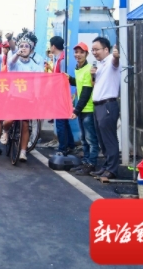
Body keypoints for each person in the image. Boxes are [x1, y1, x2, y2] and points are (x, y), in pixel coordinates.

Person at [2, 34, 43, 162]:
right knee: (9, 121)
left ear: (31, 49)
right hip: (14, 97)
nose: (24, 48)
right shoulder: (14, 61)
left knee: (25, 125)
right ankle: (5, 131)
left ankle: (23, 152)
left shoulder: (35, 66)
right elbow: (11, 62)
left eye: (26, 46)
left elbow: (38, 82)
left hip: (27, 98)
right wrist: (17, 54)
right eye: (21, 46)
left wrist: (37, 97)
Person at [90, 37, 120, 181]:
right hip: (98, 106)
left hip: (107, 105)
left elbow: (115, 62)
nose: (94, 52)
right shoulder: (99, 64)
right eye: (93, 50)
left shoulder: (110, 62)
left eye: (96, 49)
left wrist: (116, 56)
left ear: (106, 49)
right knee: (102, 139)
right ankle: (107, 166)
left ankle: (112, 169)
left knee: (109, 138)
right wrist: (93, 75)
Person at [67, 42, 99, 176]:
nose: (78, 55)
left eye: (81, 52)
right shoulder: (79, 68)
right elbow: (79, 83)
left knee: (91, 139)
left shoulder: (89, 69)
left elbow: (86, 92)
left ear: (86, 54)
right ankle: (86, 162)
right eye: (76, 52)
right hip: (83, 109)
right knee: (84, 139)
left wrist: (76, 110)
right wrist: (69, 79)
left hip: (88, 109)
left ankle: (91, 164)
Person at [50, 35, 76, 156]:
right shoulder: (60, 58)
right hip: (61, 94)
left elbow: (62, 79)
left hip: (61, 95)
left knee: (60, 123)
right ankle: (70, 145)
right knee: (64, 122)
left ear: (53, 46)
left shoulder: (62, 60)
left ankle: (62, 148)